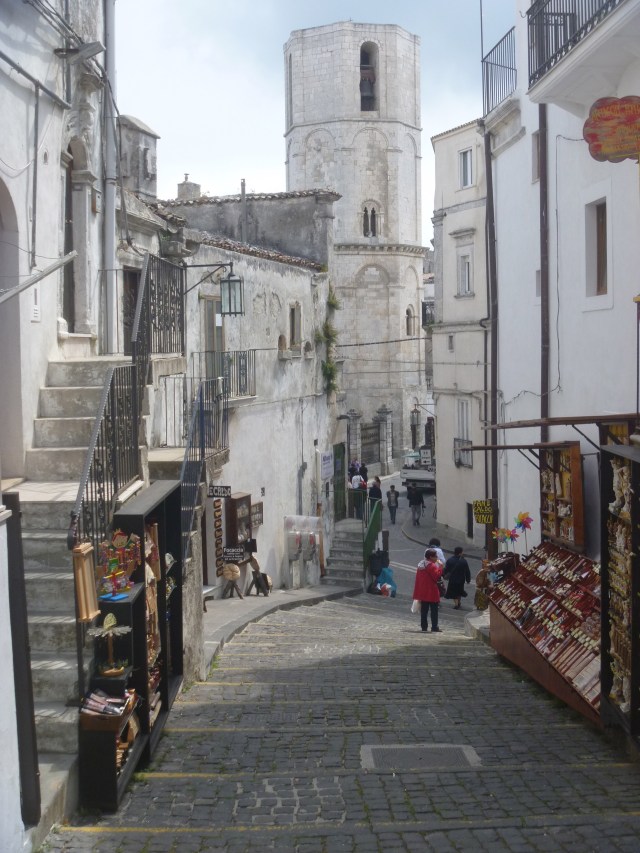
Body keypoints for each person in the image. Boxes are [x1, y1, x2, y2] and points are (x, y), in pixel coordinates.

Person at [412, 548, 443, 632]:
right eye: (435, 556)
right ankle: (434, 627)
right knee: (434, 610)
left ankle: (424, 627)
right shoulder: (431, 565)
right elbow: (437, 576)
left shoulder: (421, 564)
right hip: (431, 591)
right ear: (430, 557)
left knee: (424, 610)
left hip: (423, 591)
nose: (437, 558)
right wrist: (440, 566)